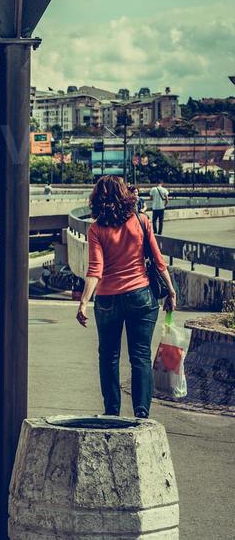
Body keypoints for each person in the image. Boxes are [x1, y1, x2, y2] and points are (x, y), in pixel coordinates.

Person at [76, 175, 177, 419]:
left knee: (108, 356)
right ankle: (141, 412)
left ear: (98, 200)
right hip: (141, 296)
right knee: (140, 355)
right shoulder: (142, 221)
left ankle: (112, 411)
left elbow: (95, 270)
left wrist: (84, 302)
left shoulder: (96, 229)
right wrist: (171, 292)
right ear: (125, 195)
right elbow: (158, 261)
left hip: (108, 299)